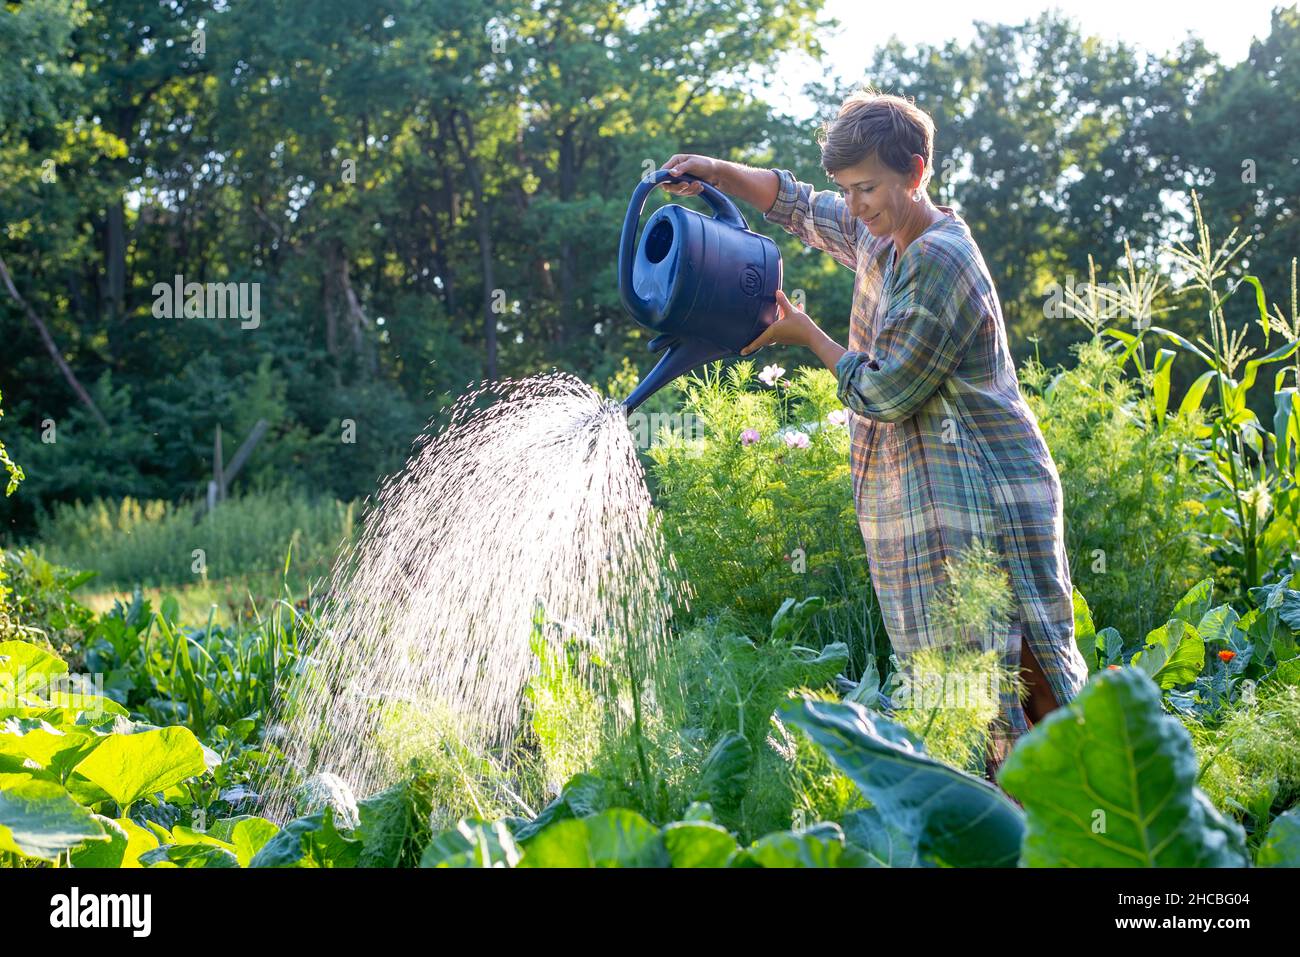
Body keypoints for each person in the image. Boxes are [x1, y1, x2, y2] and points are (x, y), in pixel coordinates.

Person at [658, 88, 1090, 781]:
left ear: (916, 172)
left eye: (866, 188)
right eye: (847, 189)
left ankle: (1093, 836)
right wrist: (715, 169)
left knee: (1023, 685)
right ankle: (1014, 839)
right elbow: (796, 205)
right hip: (926, 509)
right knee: (961, 699)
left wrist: (806, 334)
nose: (854, 204)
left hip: (986, 504)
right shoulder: (883, 235)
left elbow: (886, 390)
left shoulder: (938, 258)